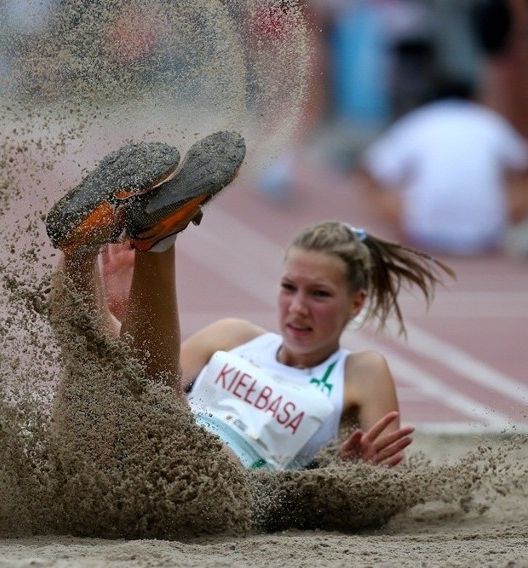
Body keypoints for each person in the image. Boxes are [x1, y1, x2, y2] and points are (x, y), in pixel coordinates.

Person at [44, 131, 454, 471]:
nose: (298, 306)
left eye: (320, 295)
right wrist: (119, 306)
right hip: (145, 443)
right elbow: (140, 379)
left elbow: (384, 482)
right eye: (289, 287)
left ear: (356, 303)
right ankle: (82, 249)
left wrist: (353, 469)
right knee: (116, 383)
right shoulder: (235, 335)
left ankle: (155, 241)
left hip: (217, 479)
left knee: (157, 415)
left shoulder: (361, 372)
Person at [358, 78, 528, 256]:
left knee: (374, 185)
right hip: (487, 234)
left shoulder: (422, 119)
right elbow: (523, 164)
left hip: (424, 232)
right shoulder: (489, 120)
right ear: (474, 97)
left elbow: (370, 169)